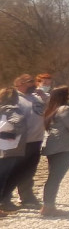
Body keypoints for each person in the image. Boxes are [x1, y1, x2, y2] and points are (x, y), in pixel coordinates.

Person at [39, 85, 69, 217]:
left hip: (53, 146)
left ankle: (48, 205)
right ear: (64, 96)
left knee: (53, 176)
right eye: (68, 93)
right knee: (55, 178)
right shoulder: (66, 109)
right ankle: (48, 207)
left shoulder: (51, 109)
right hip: (64, 147)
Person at [0, 74, 46, 210]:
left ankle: (27, 197)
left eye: (33, 82)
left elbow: (49, 108)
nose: (33, 84)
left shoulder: (37, 98)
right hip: (21, 142)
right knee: (14, 171)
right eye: (29, 82)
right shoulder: (15, 99)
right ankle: (5, 198)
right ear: (19, 84)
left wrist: (44, 96)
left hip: (36, 140)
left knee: (29, 171)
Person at [0, 87, 25, 219]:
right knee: (3, 178)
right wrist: (6, 134)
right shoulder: (14, 110)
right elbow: (19, 124)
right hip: (9, 149)